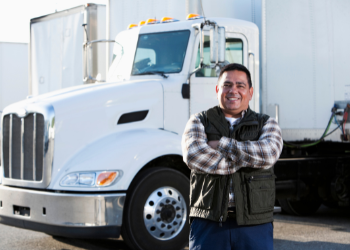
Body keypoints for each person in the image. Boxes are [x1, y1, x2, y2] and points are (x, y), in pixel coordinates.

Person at [182, 63, 283, 250]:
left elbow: (268, 154)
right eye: (227, 85)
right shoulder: (198, 121)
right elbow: (194, 155)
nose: (233, 90)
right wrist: (245, 160)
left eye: (240, 85)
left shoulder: (267, 123)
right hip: (208, 222)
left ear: (250, 92)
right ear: (217, 89)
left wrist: (222, 144)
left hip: (255, 224)